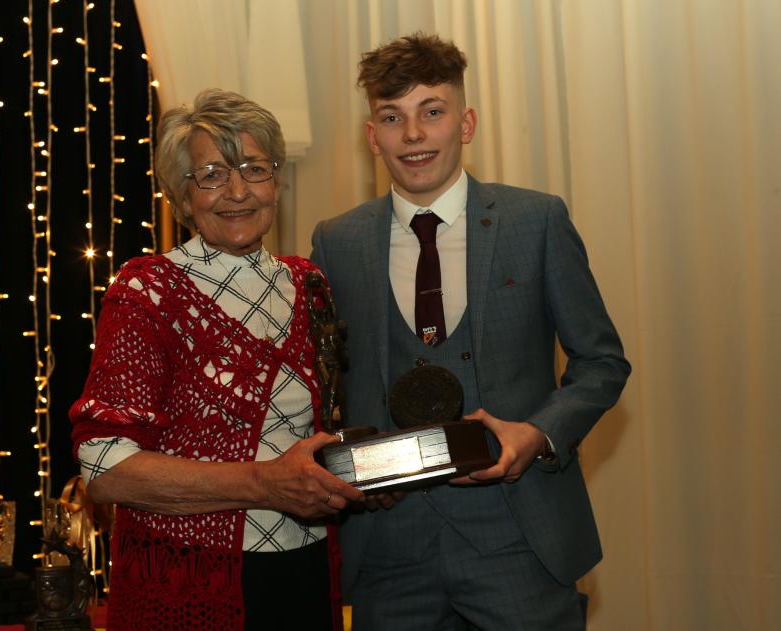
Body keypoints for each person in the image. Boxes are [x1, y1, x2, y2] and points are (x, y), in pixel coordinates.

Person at [310, 33, 632, 630]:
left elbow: (602, 362)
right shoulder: (336, 241)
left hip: (517, 538)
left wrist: (537, 435)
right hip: (389, 547)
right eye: (392, 117)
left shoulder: (536, 222)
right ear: (371, 135)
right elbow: (324, 383)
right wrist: (346, 462)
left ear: (466, 123)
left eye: (432, 112)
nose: (413, 134)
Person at [70, 89, 364, 631]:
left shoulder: (311, 284)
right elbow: (104, 467)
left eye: (253, 169)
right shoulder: (148, 290)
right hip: (188, 584)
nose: (236, 191)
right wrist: (262, 483)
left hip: (305, 575)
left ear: (277, 181)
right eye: (210, 174)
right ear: (182, 196)